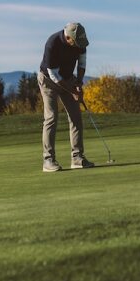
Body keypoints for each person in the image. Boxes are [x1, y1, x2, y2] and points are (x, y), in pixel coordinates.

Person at [37, 22, 94, 172]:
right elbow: (54, 76)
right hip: (48, 80)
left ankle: (77, 158)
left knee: (76, 116)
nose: (79, 46)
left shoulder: (80, 42)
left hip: (68, 78)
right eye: (76, 43)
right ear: (68, 38)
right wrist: (72, 91)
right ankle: (48, 160)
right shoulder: (52, 43)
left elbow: (82, 64)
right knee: (51, 117)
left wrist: (79, 84)